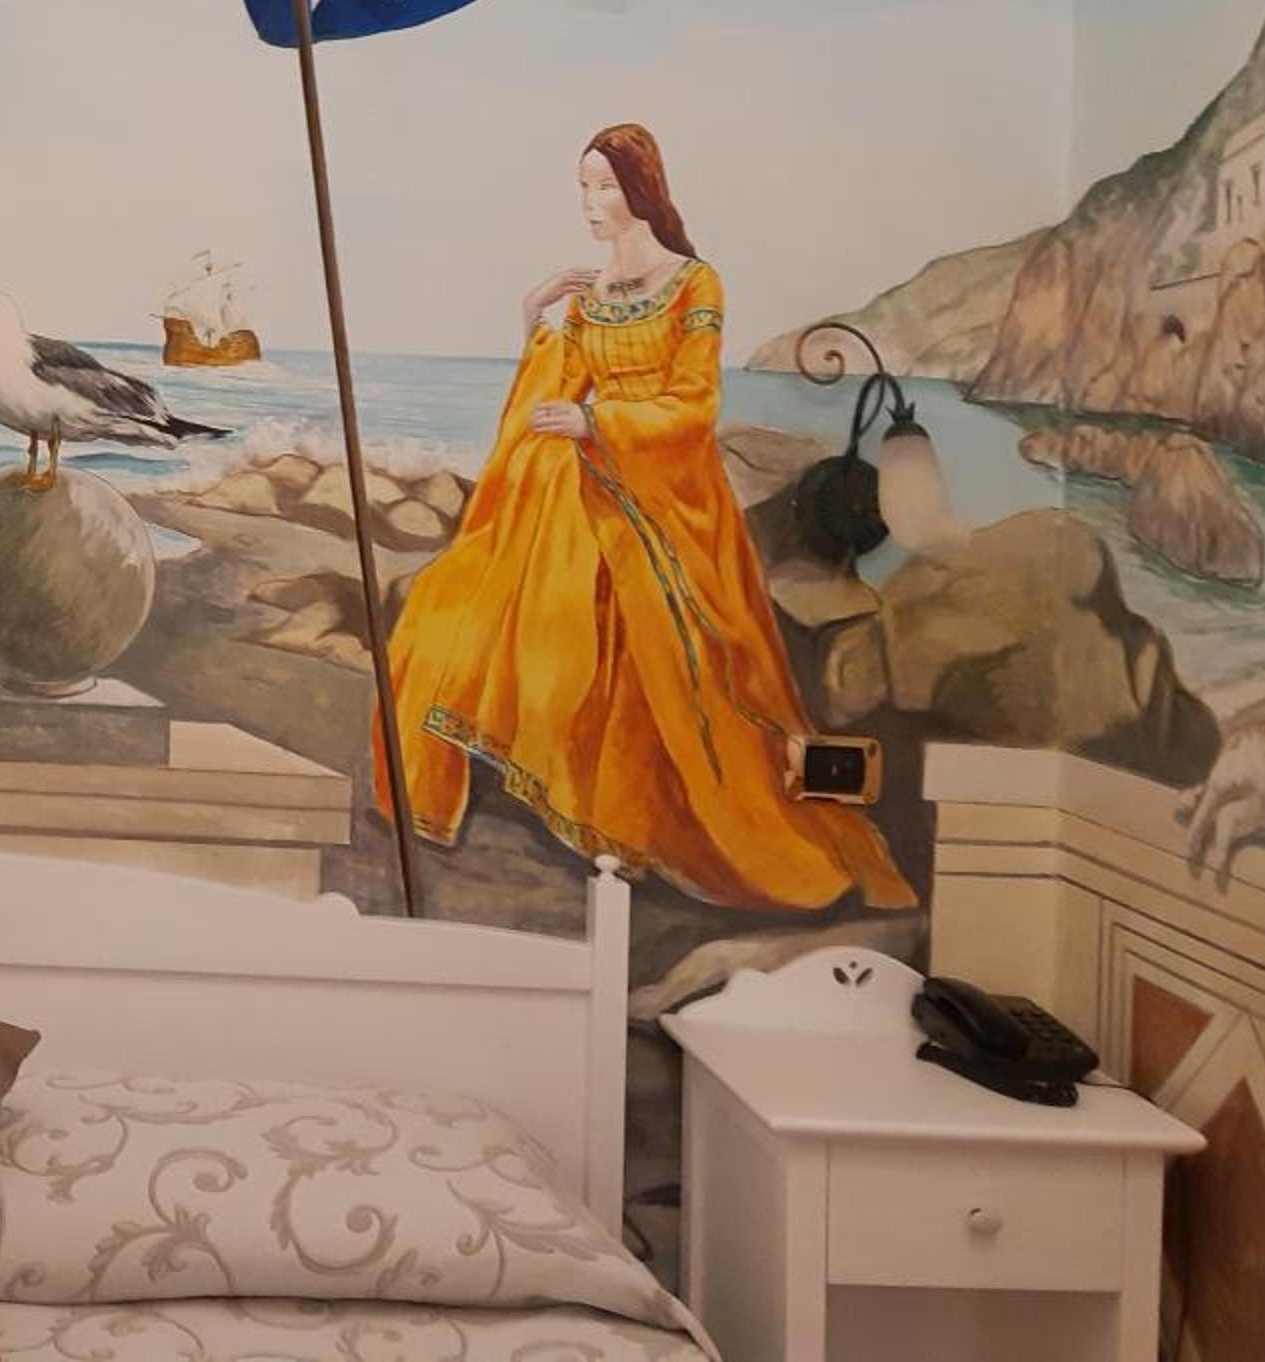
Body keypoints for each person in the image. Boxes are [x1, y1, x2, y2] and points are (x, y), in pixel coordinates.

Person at [374, 122, 917, 911]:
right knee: (451, 597)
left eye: (605, 186)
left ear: (641, 190)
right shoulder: (590, 293)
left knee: (639, 624)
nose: (591, 204)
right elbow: (556, 386)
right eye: (583, 188)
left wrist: (597, 422)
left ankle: (639, 817)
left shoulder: (696, 283)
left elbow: (694, 405)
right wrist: (532, 314)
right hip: (584, 472)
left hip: (665, 487)